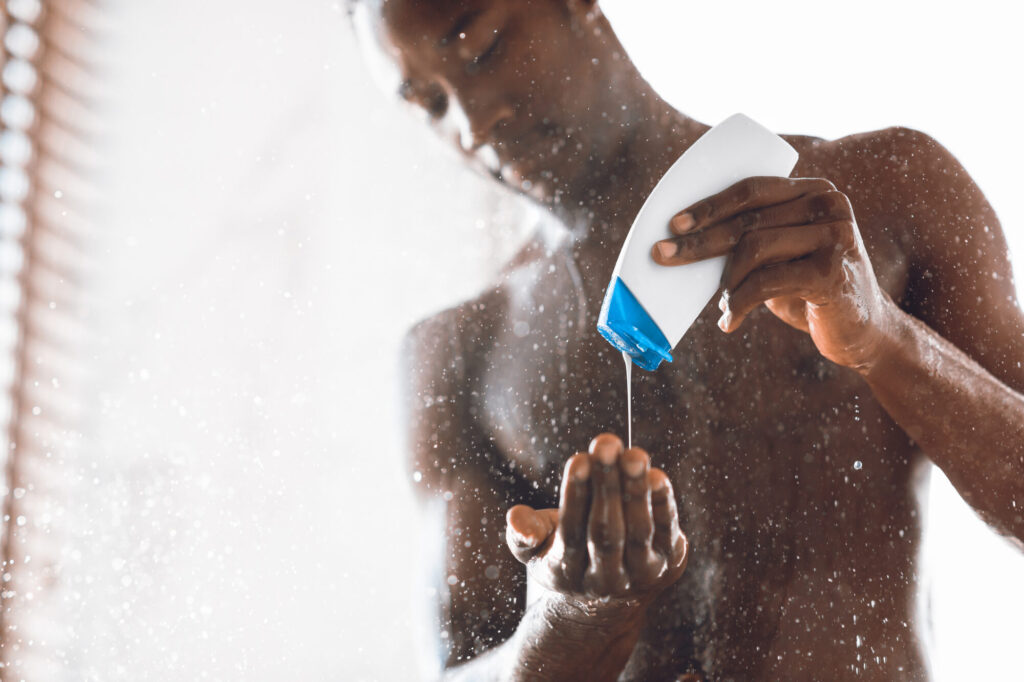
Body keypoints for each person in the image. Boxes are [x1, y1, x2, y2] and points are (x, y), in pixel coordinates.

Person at [349, 1, 1024, 679]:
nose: (472, 123)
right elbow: (456, 668)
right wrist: (567, 620)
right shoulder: (463, 349)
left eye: (484, 49)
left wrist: (883, 342)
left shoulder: (887, 192)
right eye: (429, 103)